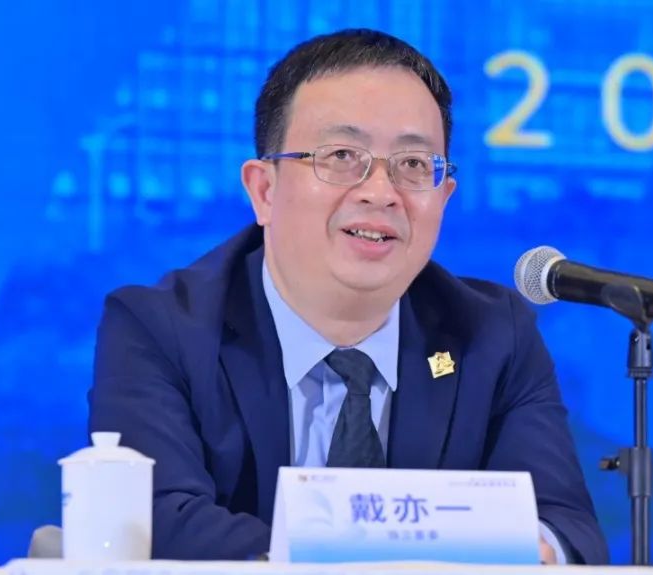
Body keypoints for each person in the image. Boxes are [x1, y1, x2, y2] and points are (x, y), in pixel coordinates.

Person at [89, 28, 609, 564]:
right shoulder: (160, 329)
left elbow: (564, 526)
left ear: (444, 197)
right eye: (341, 155)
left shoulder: (492, 337)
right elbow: (156, 520)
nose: (380, 193)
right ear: (264, 190)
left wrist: (539, 550)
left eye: (413, 164)